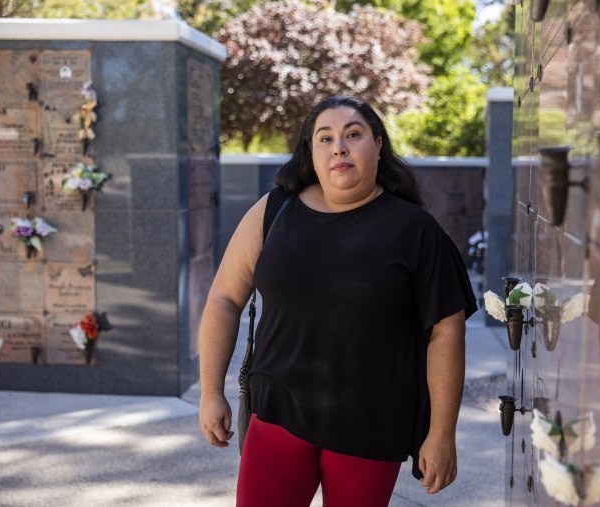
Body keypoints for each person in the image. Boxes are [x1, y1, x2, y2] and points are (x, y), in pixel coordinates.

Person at [198, 96, 477, 507]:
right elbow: (223, 298)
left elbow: (446, 332)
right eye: (324, 138)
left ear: (378, 145)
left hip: (370, 426)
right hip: (277, 416)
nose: (339, 148)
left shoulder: (416, 231)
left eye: (353, 134)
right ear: (311, 153)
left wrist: (441, 433)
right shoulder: (274, 211)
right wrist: (210, 392)